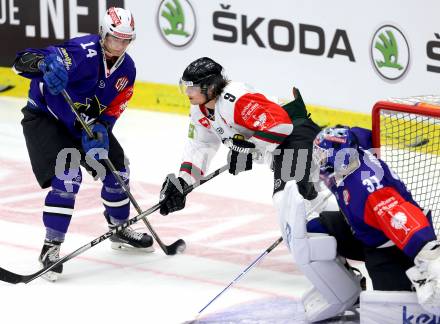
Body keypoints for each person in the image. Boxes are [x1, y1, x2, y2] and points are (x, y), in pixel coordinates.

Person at [12, 7, 153, 281]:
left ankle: (119, 228)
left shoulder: (128, 68)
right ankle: (50, 247)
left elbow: (116, 105)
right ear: (103, 34)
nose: (120, 46)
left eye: (126, 40)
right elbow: (23, 61)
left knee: (118, 170)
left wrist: (103, 127)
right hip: (46, 119)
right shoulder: (81, 51)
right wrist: (42, 66)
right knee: (68, 175)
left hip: (84, 125)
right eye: (115, 38)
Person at [278, 125, 439, 321]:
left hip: (387, 246)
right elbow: (357, 134)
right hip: (365, 227)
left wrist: (430, 259)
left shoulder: (369, 191)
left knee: (391, 310)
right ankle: (347, 285)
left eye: (323, 156)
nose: (320, 161)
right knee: (312, 231)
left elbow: (403, 221)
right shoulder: (354, 149)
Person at [159, 56, 322, 222]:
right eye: (185, 87)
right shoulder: (199, 111)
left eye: (192, 88)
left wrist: (249, 149)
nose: (187, 92)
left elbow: (281, 125)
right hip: (281, 148)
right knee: (312, 201)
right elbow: (201, 146)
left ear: (210, 87)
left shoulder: (234, 98)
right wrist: (184, 181)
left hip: (297, 136)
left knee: (288, 201)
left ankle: (322, 242)